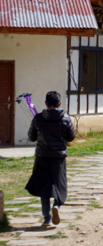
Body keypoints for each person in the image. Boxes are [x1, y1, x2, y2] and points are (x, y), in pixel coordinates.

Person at [25, 91, 75, 226]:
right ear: (59, 104)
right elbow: (71, 137)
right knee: (60, 186)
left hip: (42, 157)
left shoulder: (38, 118)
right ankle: (57, 206)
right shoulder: (65, 118)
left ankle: (46, 218)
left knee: (44, 188)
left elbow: (31, 137)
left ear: (46, 103)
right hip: (58, 158)